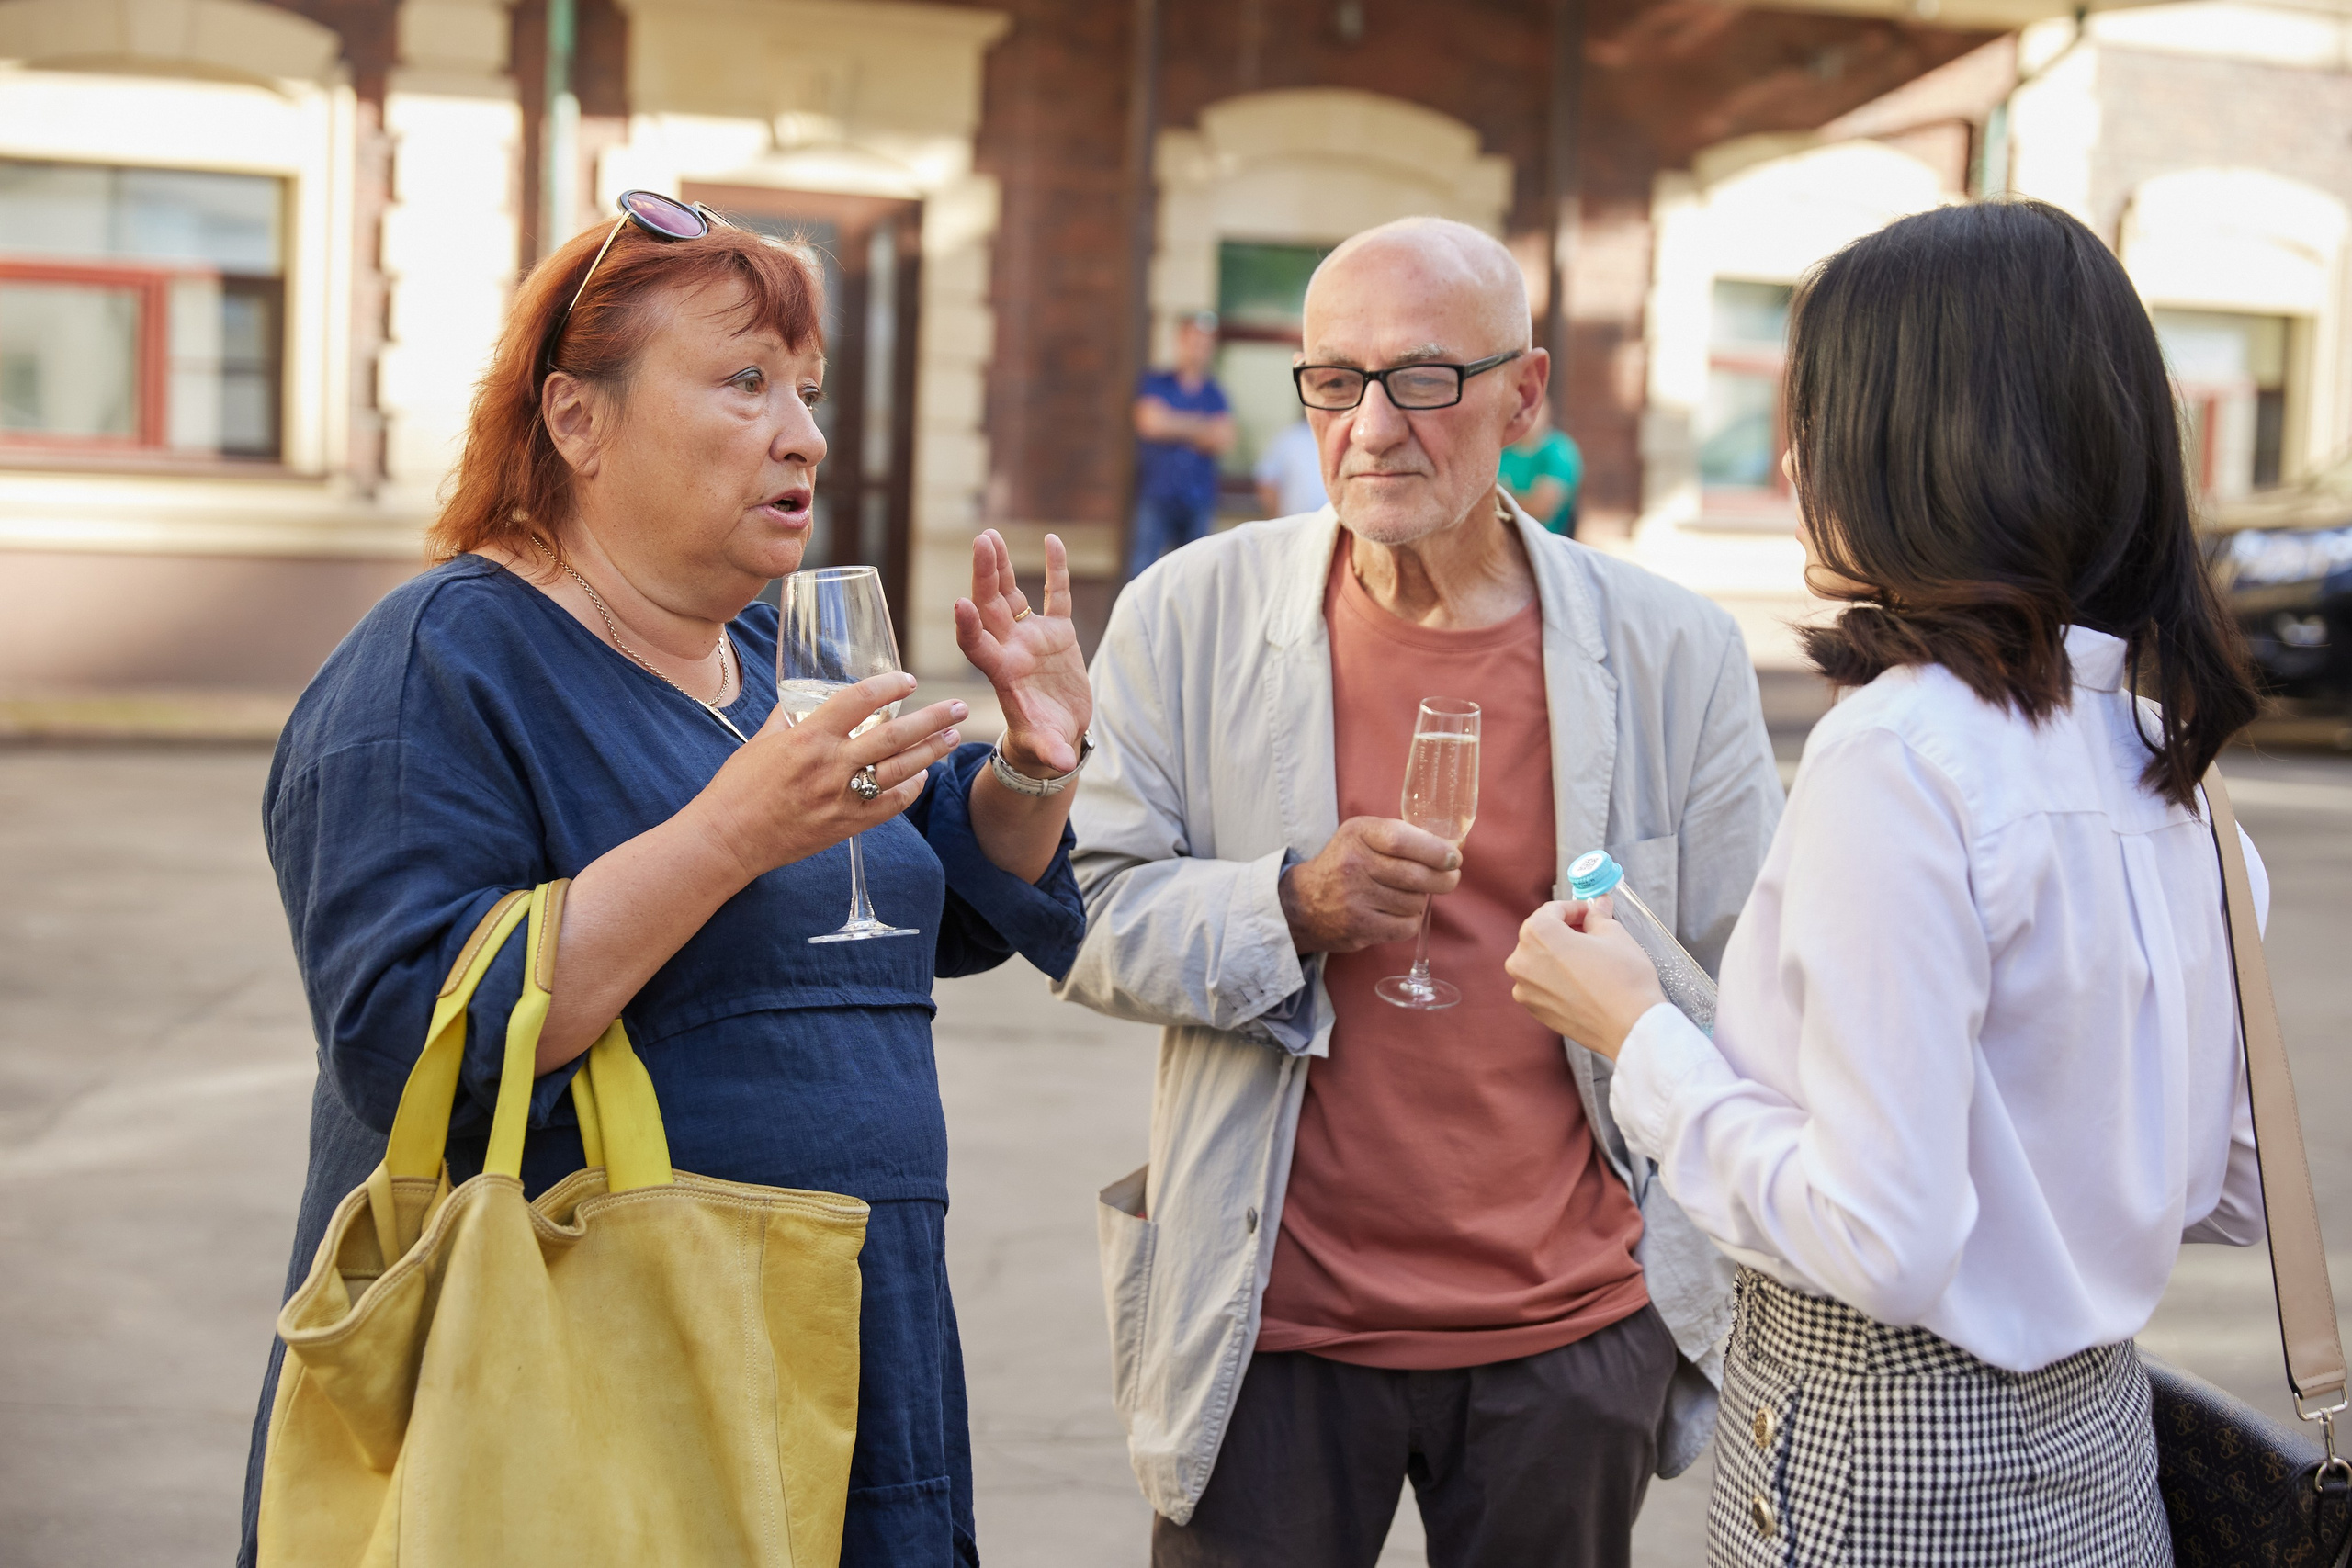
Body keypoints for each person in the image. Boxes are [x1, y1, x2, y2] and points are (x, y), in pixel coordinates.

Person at [235, 192, 1093, 1568]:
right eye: (745, 382)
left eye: (806, 391)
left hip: (851, 1340)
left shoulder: (765, 657)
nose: (803, 433)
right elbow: (411, 1036)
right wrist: (730, 832)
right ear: (577, 420)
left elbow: (951, 893)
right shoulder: (441, 661)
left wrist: (1038, 765)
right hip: (601, 1378)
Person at [1505, 199, 2267, 1566]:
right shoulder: (2171, 769)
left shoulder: (1903, 752)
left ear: (1919, 442)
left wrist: (1639, 1036)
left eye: (1821, 410)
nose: (1795, 458)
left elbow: (1880, 1238)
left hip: (1884, 1447)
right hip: (2108, 1444)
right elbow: (2229, 1181)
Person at [1056, 216, 1785, 1567]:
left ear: (1526, 392)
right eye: (1334, 380)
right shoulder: (1187, 612)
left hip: (1567, 1335)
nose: (1372, 426)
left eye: (1423, 378)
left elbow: (1761, 986)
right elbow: (1079, 909)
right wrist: (1289, 906)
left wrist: (1626, 981)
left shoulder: (1675, 650)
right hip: (1270, 1326)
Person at [1129, 310, 1236, 574]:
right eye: (1193, 340)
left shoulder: (1215, 394)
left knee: (1194, 573)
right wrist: (1201, 427)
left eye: (1205, 342)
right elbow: (1150, 423)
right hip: (1158, 493)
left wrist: (1172, 423)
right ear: (1181, 341)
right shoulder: (1157, 382)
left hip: (1198, 498)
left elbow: (1223, 437)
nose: (1199, 348)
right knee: (1143, 568)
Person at [1498, 400, 1583, 536]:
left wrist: (1502, 499)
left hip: (1546, 542)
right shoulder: (1503, 451)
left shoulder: (1559, 450)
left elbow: (1543, 508)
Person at [1254, 414, 1327, 518]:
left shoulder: (1344, 437)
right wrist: (1275, 520)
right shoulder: (1290, 438)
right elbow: (1266, 480)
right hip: (1296, 523)